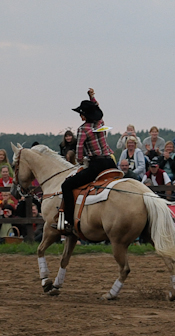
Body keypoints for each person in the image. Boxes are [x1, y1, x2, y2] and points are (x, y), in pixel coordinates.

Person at [59, 89, 115, 235]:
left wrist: (80, 160)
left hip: (96, 166)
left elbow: (78, 153)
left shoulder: (83, 129)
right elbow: (97, 109)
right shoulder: (101, 123)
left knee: (67, 185)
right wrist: (92, 97)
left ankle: (69, 222)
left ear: (84, 116)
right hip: (110, 163)